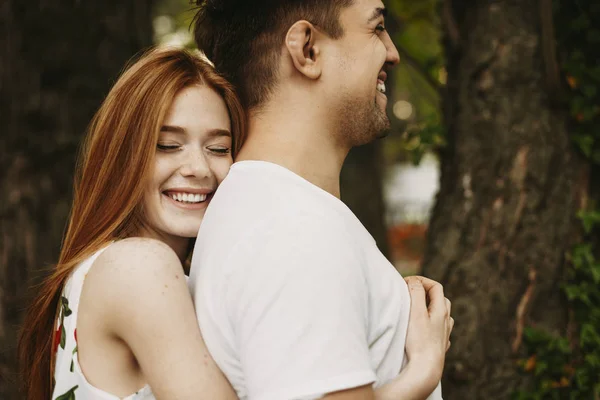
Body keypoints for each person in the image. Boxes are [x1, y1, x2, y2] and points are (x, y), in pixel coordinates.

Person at [17, 46, 448, 400]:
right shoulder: (137, 267)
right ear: (121, 156)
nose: (197, 168)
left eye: (219, 149)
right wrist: (418, 374)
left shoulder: (103, 269)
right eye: (168, 145)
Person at [189, 0, 453, 400]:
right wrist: (424, 370)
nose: (393, 52)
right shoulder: (294, 230)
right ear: (307, 50)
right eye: (377, 27)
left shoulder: (277, 212)